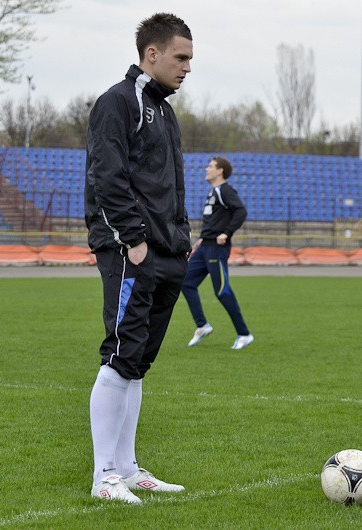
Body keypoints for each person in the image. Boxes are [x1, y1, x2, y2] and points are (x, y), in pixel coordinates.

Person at [84, 12, 193, 504]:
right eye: (180, 57)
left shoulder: (165, 109)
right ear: (152, 54)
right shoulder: (117, 102)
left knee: (138, 363)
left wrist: (182, 238)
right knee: (120, 354)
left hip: (169, 252)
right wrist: (133, 238)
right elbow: (107, 176)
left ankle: (127, 468)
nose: (187, 67)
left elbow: (170, 184)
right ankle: (103, 475)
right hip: (133, 252)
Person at [181, 156, 253, 350]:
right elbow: (215, 220)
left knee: (222, 291)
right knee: (185, 282)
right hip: (206, 246)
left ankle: (244, 334)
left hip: (217, 249)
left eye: (210, 166)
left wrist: (226, 233)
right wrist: (203, 238)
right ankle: (202, 326)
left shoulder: (225, 191)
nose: (206, 169)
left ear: (220, 171)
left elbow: (241, 211)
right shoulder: (213, 192)